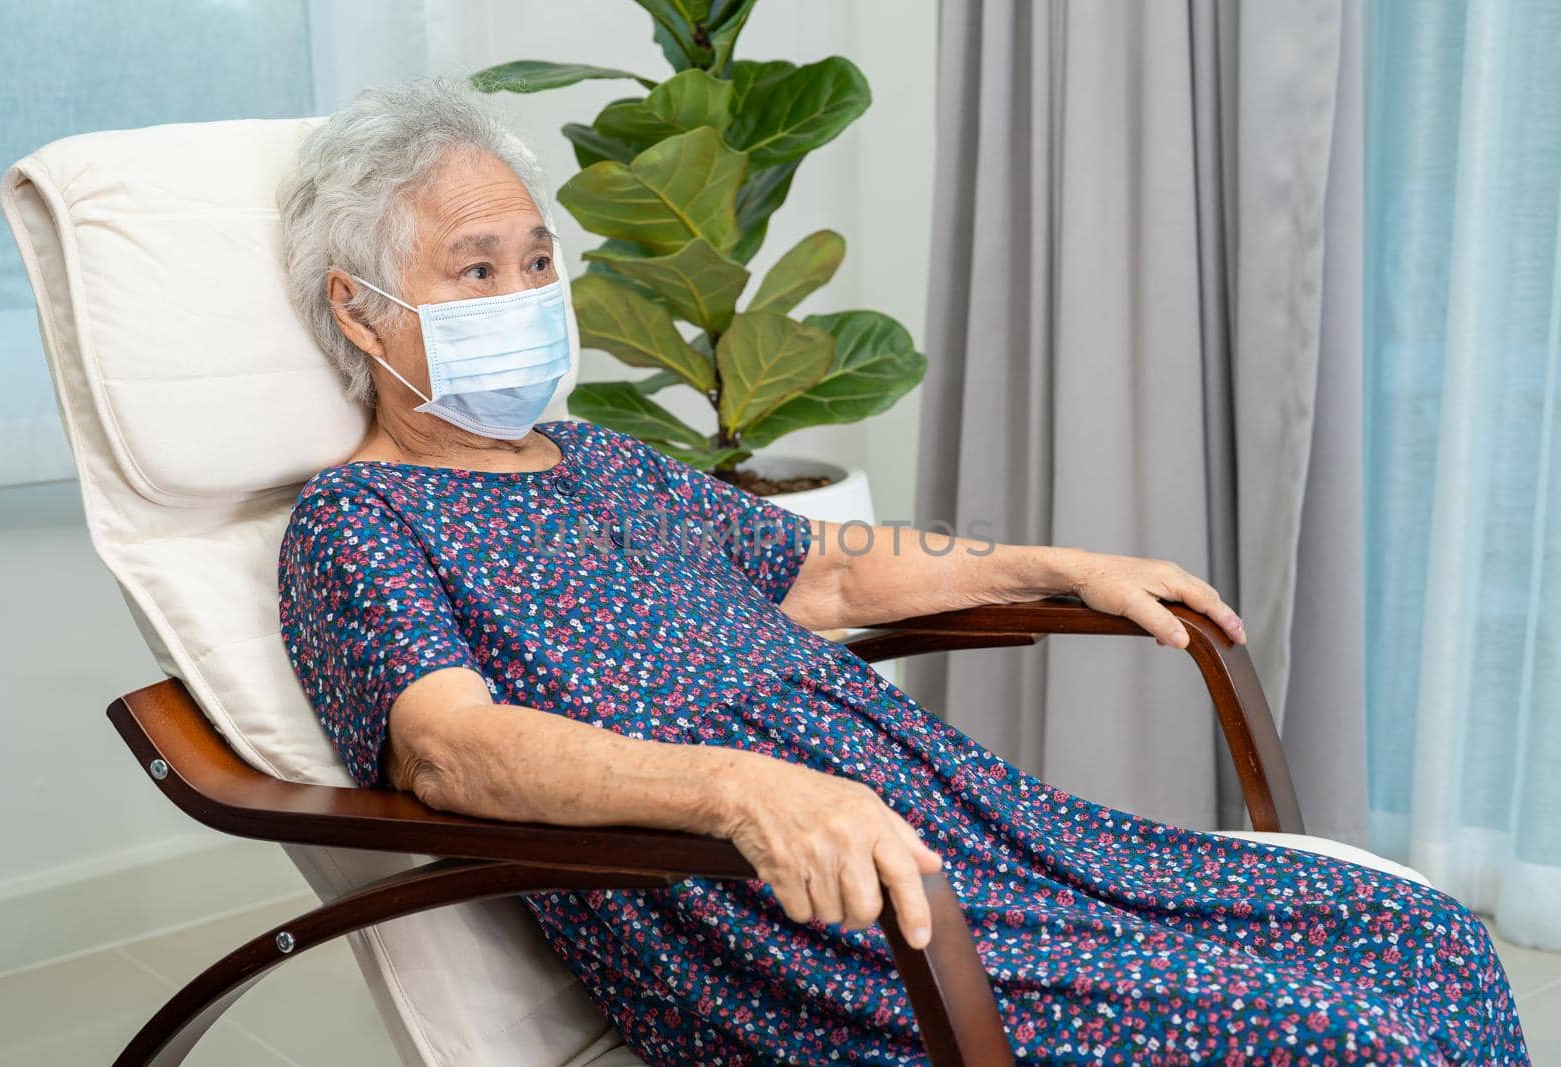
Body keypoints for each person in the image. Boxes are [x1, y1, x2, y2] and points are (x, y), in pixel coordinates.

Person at [275, 78, 1527, 1065]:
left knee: (1421, 938)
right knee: (1353, 1035)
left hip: (957, 836)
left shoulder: (601, 459)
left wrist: (1062, 563)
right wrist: (743, 792)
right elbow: (448, 749)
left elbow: (821, 570)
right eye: (475, 268)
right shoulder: (357, 519)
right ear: (360, 307)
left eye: (537, 260)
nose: (525, 293)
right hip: (797, 912)